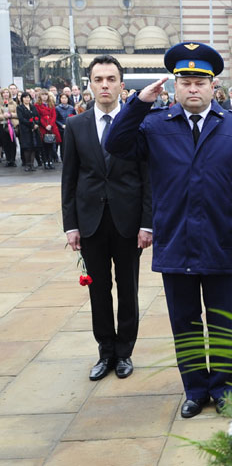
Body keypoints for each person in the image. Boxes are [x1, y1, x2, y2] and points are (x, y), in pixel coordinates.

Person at [104, 41, 232, 418]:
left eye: (200, 82)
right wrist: (138, 103)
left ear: (213, 86)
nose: (193, 89)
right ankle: (195, 389)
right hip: (176, 241)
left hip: (221, 242)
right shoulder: (155, 125)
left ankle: (223, 390)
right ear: (174, 86)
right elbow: (115, 143)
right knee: (185, 323)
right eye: (186, 82)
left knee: (222, 323)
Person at [61, 55, 153, 382]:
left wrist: (147, 223)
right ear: (89, 84)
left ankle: (124, 351)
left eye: (111, 79)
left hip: (128, 223)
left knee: (128, 289)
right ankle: (105, 351)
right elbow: (70, 179)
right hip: (91, 222)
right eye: (98, 79)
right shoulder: (76, 125)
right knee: (98, 291)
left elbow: (147, 178)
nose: (104, 85)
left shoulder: (138, 125)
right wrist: (71, 225)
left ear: (121, 84)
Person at [35, 91, 60, 170]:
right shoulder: (37, 105)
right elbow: (38, 116)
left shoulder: (51, 104)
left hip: (51, 127)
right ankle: (45, 161)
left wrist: (50, 125)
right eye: (43, 95)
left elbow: (54, 116)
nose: (44, 96)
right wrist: (45, 125)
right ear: (40, 96)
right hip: (43, 127)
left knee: (51, 145)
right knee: (44, 145)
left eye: (46, 95)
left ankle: (50, 161)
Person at [55, 92, 77, 161]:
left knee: (71, 144)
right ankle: (63, 158)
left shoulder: (71, 108)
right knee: (63, 145)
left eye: (65, 98)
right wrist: (61, 125)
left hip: (70, 128)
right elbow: (56, 119)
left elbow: (75, 117)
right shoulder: (57, 108)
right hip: (61, 129)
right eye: (62, 98)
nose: (64, 99)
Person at [1, 88, 18, 166]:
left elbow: (17, 114)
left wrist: (10, 115)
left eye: (7, 92)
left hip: (11, 125)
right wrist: (3, 116)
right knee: (5, 143)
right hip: (2, 124)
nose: (5, 94)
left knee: (12, 142)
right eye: (4, 93)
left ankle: (13, 160)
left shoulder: (14, 103)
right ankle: (8, 160)